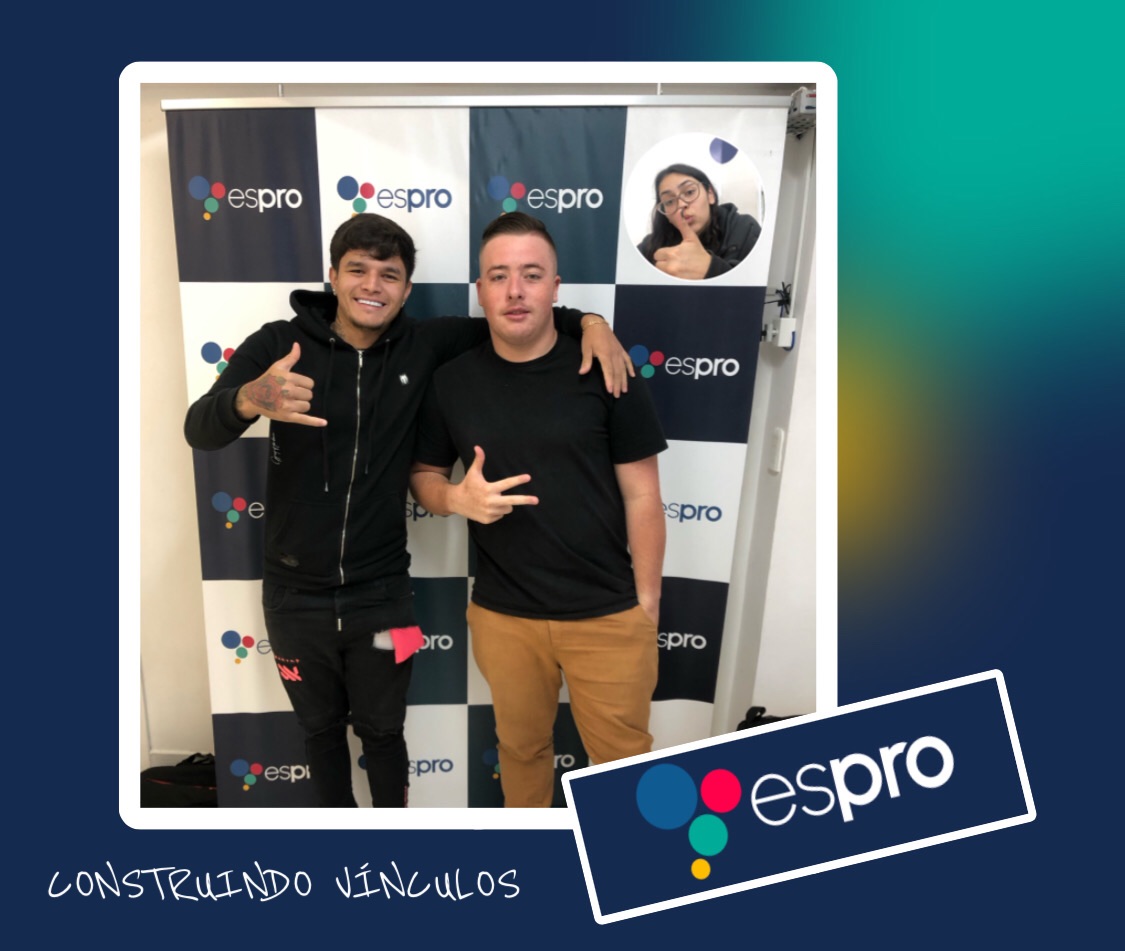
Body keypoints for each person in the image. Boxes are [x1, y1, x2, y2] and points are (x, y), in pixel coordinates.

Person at [183, 213, 634, 808]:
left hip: (384, 595)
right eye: (358, 270)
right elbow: (199, 429)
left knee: (384, 731)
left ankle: (395, 839)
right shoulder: (279, 344)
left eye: (389, 275)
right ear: (333, 276)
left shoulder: (427, 344)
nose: (373, 285)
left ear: (407, 288)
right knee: (319, 732)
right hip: (294, 596)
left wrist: (592, 323)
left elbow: (519, 315)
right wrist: (246, 399)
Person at [410, 212, 667, 808]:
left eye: (531, 274)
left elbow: (644, 495)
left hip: (608, 614)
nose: (515, 291)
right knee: (521, 754)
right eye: (499, 276)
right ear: (480, 291)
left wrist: (646, 603)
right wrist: (454, 498)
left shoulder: (606, 369)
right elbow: (423, 477)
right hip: (504, 617)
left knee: (624, 770)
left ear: (556, 286)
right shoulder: (451, 382)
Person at [636, 162, 761, 280]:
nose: (681, 204)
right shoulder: (651, 244)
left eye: (689, 192)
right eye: (669, 201)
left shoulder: (745, 228)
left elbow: (757, 286)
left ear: (710, 194)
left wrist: (711, 269)